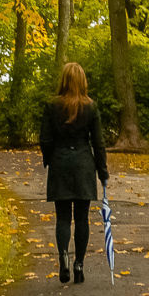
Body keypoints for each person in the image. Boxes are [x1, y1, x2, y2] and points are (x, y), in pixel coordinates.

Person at [40, 62, 109, 284]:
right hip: (83, 165)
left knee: (62, 217)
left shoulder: (52, 106)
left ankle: (63, 257)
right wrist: (102, 171)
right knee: (82, 218)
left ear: (63, 80)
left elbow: (45, 140)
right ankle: (79, 263)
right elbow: (98, 143)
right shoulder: (91, 107)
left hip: (60, 163)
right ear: (82, 82)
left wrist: (49, 159)